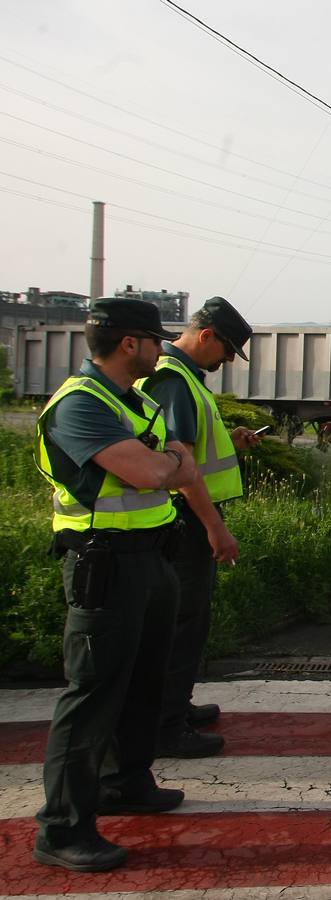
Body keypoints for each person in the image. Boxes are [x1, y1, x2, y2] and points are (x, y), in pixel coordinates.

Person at [32, 298, 198, 873]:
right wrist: (171, 458)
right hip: (104, 564)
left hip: (151, 558)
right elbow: (159, 470)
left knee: (143, 682)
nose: (162, 348)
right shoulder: (80, 405)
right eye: (156, 340)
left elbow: (177, 466)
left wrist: (170, 460)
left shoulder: (136, 401)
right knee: (93, 694)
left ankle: (126, 781)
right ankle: (62, 826)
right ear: (130, 343)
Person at [139, 296, 261, 761]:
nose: (228, 360)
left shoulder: (185, 378)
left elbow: (190, 449)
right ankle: (167, 724)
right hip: (187, 519)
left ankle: (176, 706)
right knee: (184, 619)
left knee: (187, 616)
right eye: (227, 349)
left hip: (189, 516)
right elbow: (181, 464)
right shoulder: (173, 380)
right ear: (205, 335)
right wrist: (214, 527)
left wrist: (229, 440)